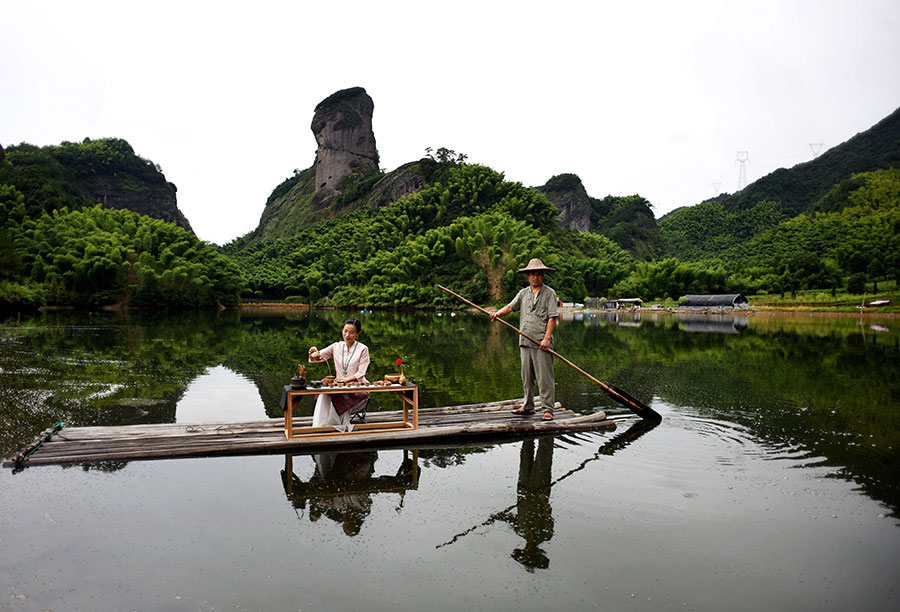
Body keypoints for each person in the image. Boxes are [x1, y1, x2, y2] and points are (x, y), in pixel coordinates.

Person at [490, 258, 559, 421]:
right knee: (526, 376)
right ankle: (528, 406)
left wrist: (547, 338)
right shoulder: (523, 293)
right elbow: (510, 307)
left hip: (541, 343)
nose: (535, 277)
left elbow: (552, 318)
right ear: (527, 276)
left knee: (544, 377)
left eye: (538, 274)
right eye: (532, 274)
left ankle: (548, 408)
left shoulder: (550, 293)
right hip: (525, 341)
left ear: (542, 276)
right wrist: (498, 313)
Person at [308, 318, 370, 429]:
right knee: (324, 393)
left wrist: (345, 380)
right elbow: (318, 357)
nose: (347, 335)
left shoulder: (363, 349)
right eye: (345, 331)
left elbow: (361, 373)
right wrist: (313, 353)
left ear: (358, 334)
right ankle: (320, 425)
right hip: (338, 386)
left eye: (351, 332)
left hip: (357, 388)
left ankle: (334, 426)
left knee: (339, 396)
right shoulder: (336, 346)